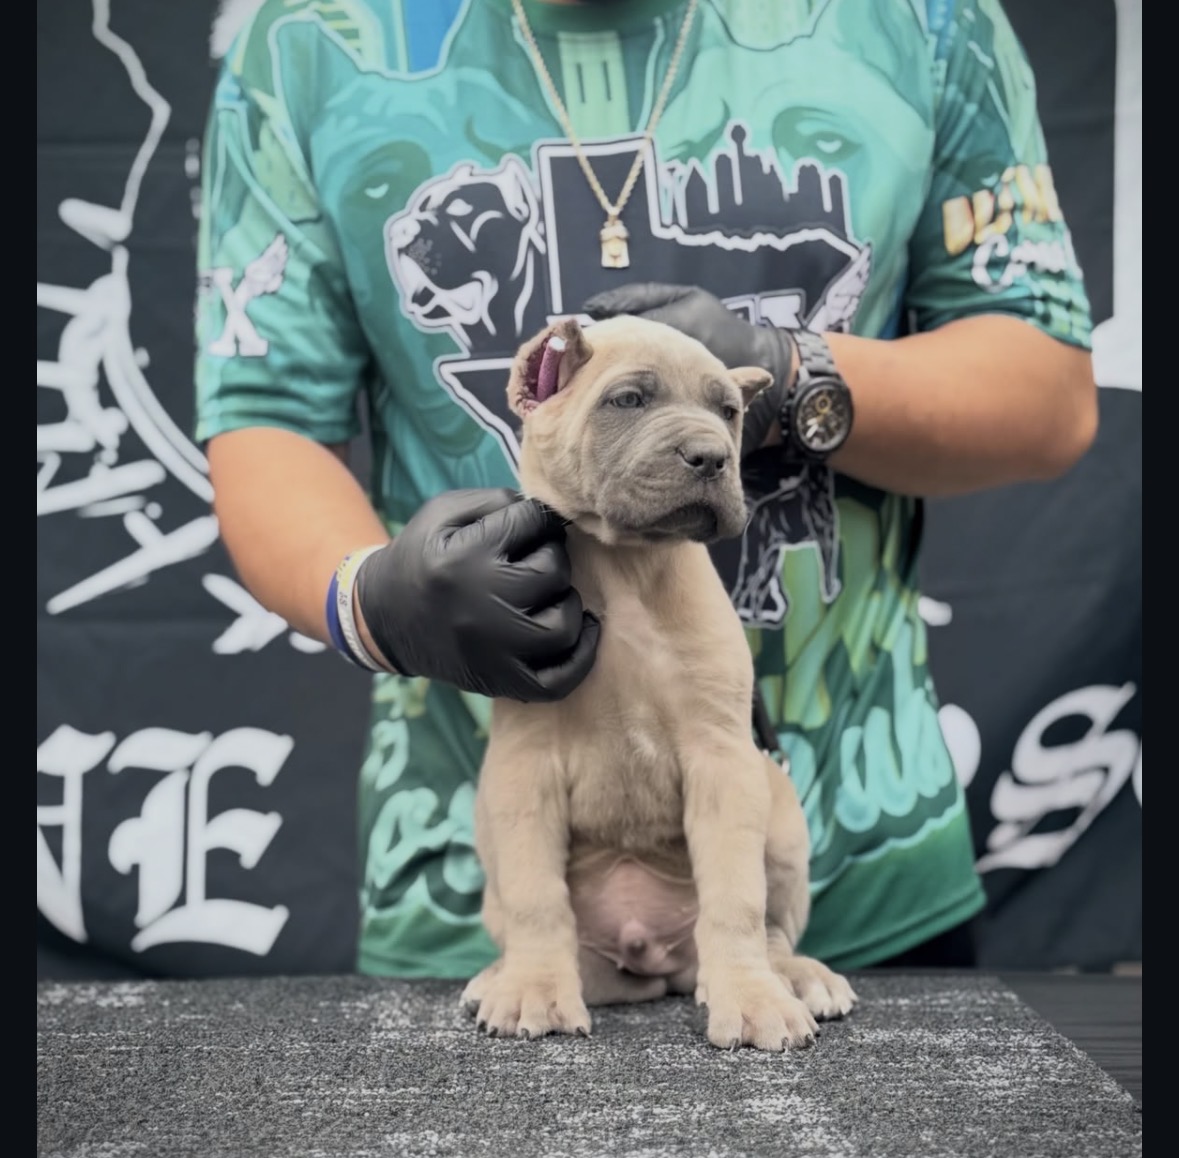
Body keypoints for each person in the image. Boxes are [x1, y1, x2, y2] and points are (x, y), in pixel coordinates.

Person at [195, 0, 1097, 979]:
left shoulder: (924, 17)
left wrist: (795, 381)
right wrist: (367, 599)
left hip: (853, 866)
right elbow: (267, 418)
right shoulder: (312, 40)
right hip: (481, 901)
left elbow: (1048, 395)